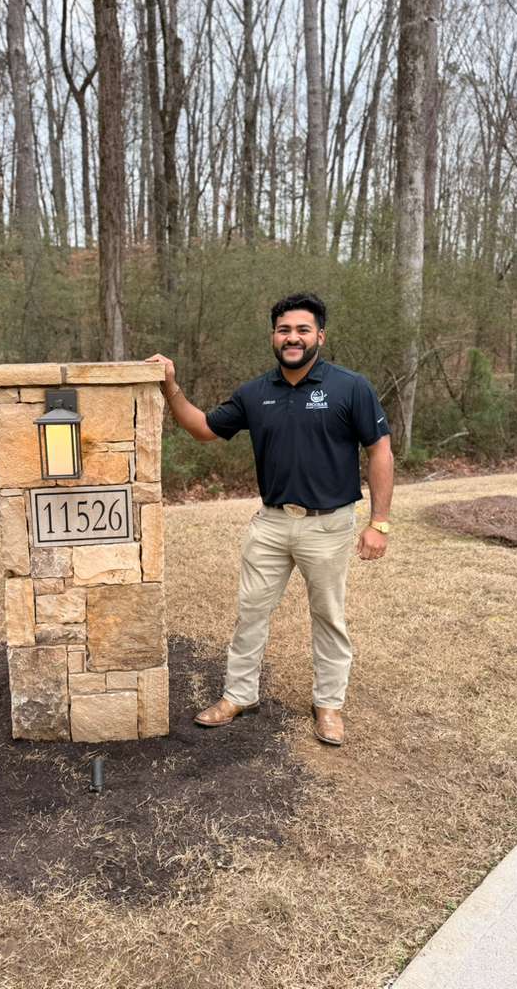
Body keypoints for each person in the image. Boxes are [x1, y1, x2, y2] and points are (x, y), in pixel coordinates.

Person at [147, 291, 394, 747]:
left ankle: (329, 705)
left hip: (328, 524)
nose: (293, 338)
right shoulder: (255, 393)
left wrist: (379, 523)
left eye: (302, 329)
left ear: (320, 334)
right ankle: (239, 695)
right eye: (284, 330)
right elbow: (203, 428)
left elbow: (380, 450)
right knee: (250, 613)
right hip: (272, 524)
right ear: (273, 336)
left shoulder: (350, 387)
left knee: (328, 616)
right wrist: (170, 386)